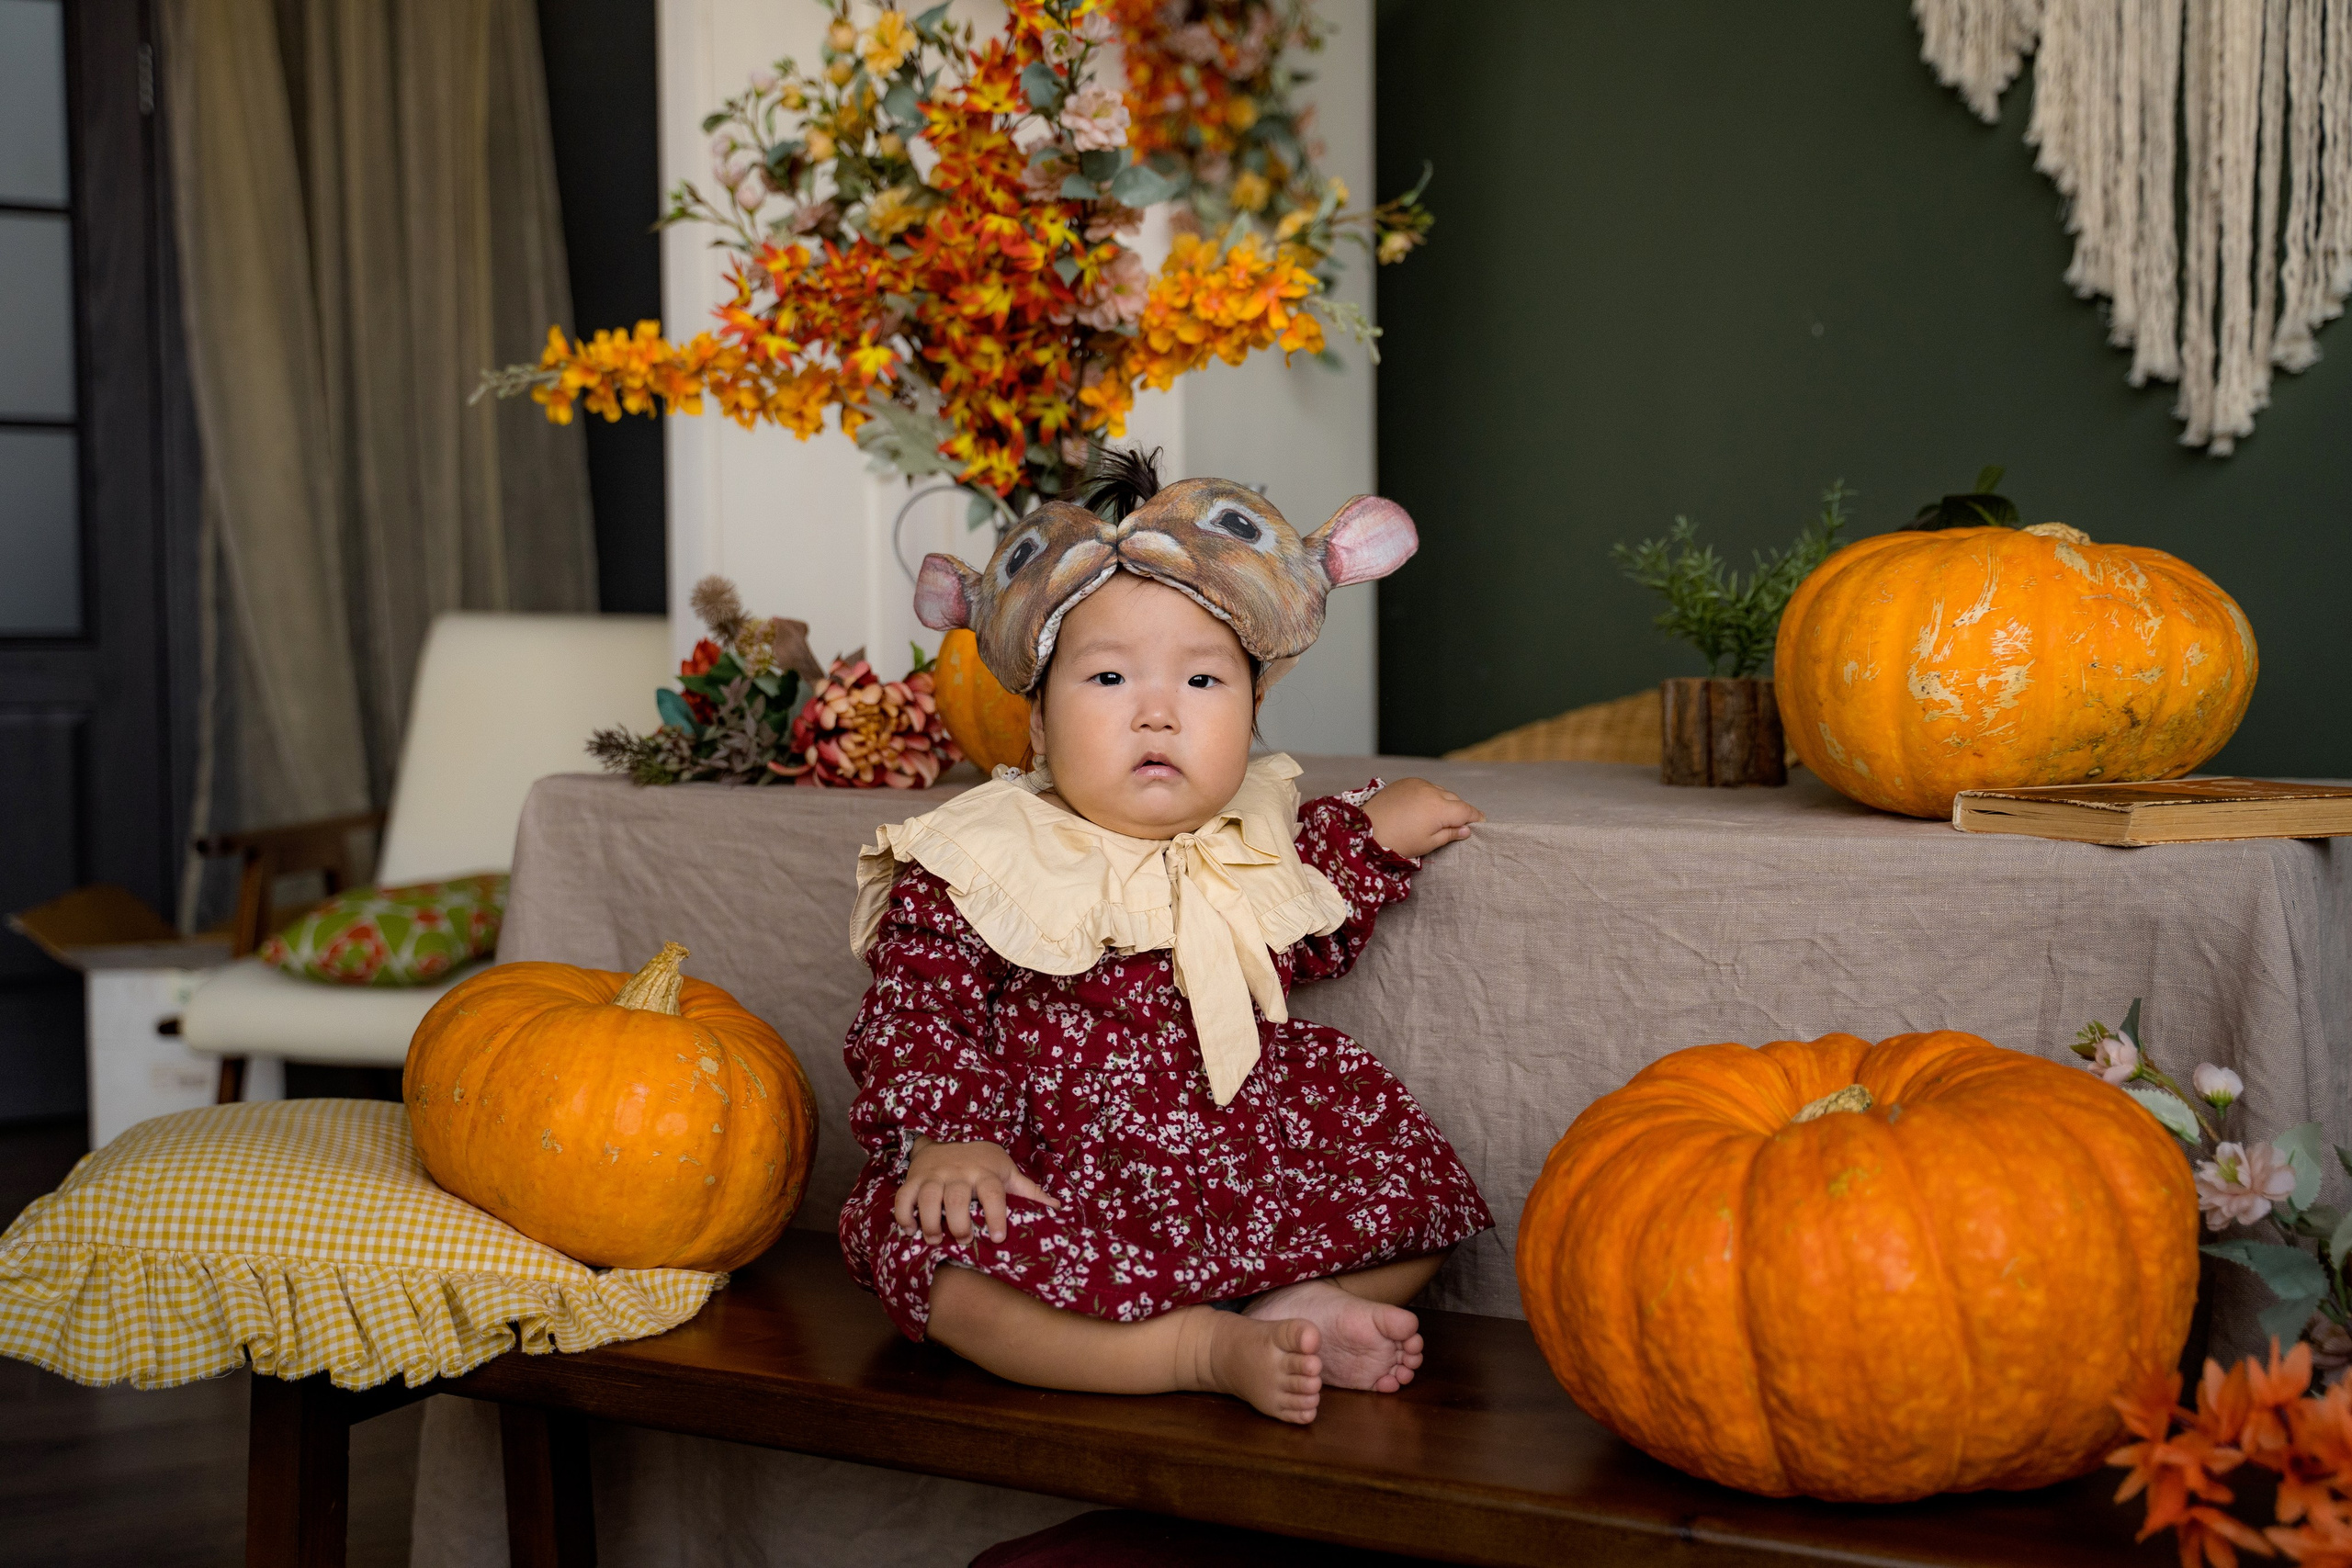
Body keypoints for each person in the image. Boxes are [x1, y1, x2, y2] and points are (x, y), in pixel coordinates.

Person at [838, 453, 1493, 1424]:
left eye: (1201, 679)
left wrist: (1365, 836)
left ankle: (1295, 1309)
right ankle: (1194, 1349)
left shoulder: (1250, 838)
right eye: (1107, 677)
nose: (1158, 710)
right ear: (1039, 724)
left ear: (1254, 710)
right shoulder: (980, 855)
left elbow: (1302, 937)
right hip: (1054, 1156)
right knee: (949, 1278)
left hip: (1239, 1140)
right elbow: (916, 1006)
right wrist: (951, 1137)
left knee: (1413, 1203)